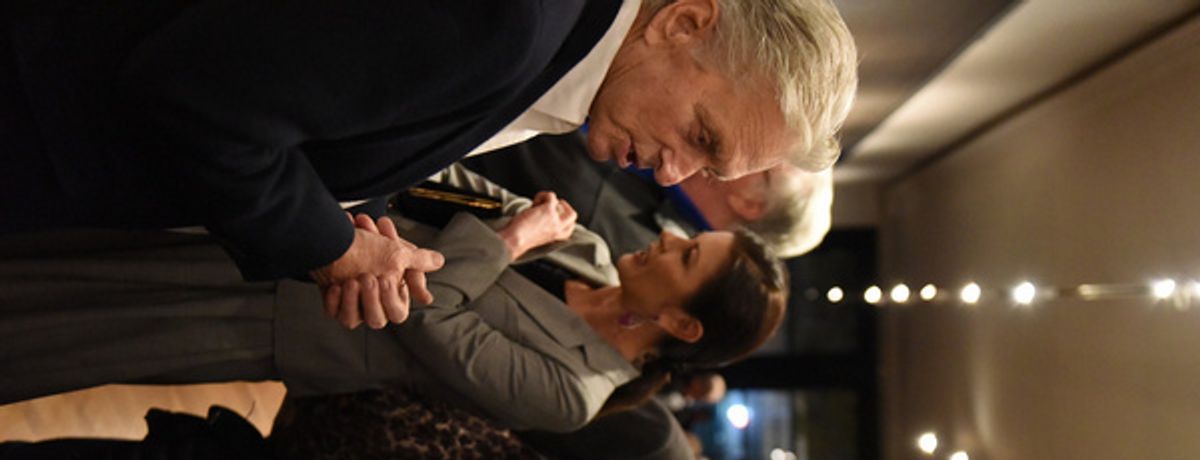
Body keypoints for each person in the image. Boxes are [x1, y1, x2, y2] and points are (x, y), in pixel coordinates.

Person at [2, 0, 855, 329]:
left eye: (707, 166)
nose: (676, 178)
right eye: (703, 136)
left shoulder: (559, 53)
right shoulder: (507, 24)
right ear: (685, 21)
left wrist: (346, 214)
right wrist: (330, 245)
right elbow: (195, 98)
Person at [0, 165, 789, 435]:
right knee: (88, 250)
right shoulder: (582, 248)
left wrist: (511, 240)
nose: (662, 239)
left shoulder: (575, 391)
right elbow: (451, 191)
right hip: (320, 241)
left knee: (81, 327)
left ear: (682, 321)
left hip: (287, 321)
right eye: (686, 238)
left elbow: (428, 315)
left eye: (684, 257)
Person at [466, 129, 835, 258]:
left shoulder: (640, 250)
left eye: (766, 161)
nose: (752, 147)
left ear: (750, 204)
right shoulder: (673, 157)